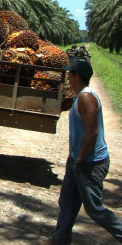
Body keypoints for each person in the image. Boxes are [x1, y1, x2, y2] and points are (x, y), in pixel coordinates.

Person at [39, 59, 122, 244]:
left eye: (70, 74)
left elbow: (92, 132)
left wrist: (81, 159)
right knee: (67, 201)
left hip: (89, 162)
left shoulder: (86, 97)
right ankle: (59, 239)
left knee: (94, 209)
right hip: (77, 159)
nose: (68, 78)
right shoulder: (80, 96)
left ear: (77, 76)